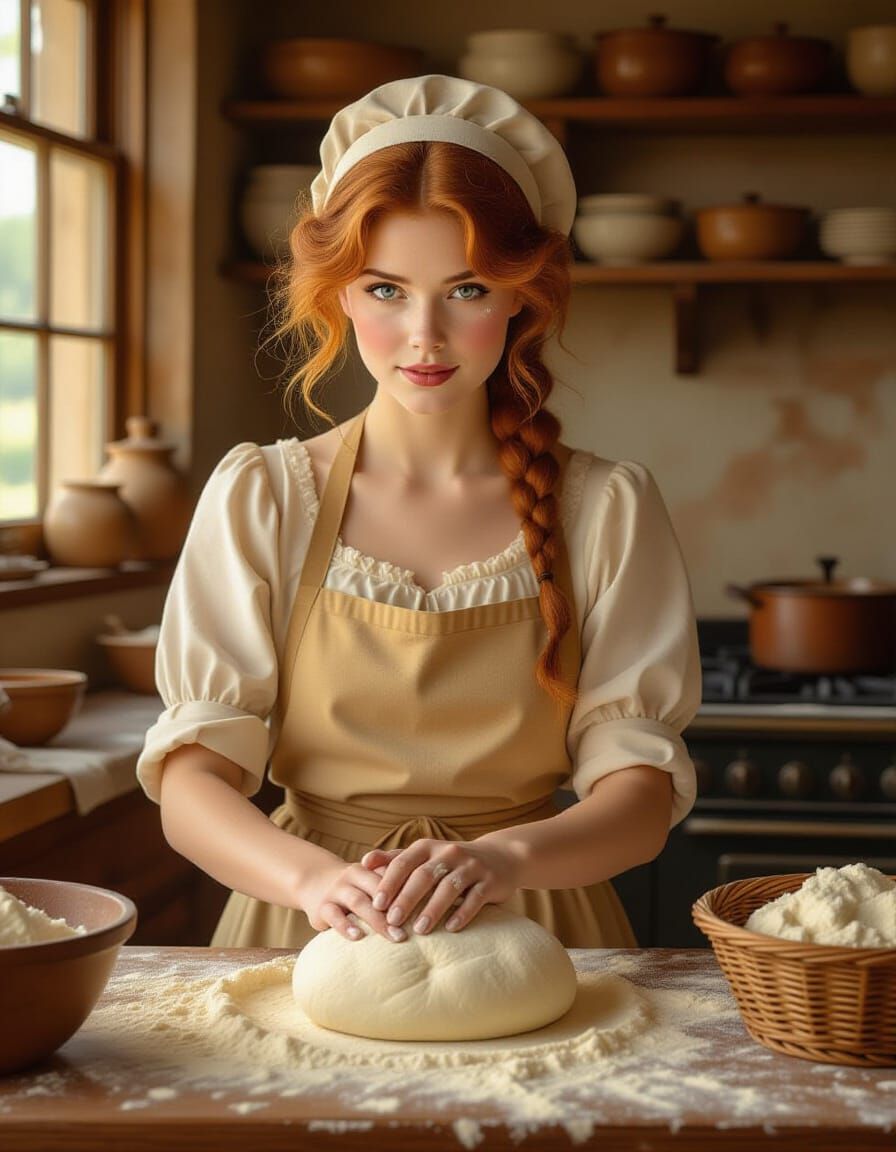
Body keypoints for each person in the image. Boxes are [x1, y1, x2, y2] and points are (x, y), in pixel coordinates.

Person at [136, 74, 701, 951]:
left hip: (541, 929)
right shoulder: (264, 497)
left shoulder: (605, 509)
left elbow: (640, 798)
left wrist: (508, 859)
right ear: (338, 295)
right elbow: (193, 783)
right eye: (386, 289)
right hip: (305, 935)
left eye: (467, 289)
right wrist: (315, 881)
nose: (424, 337)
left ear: (522, 294)